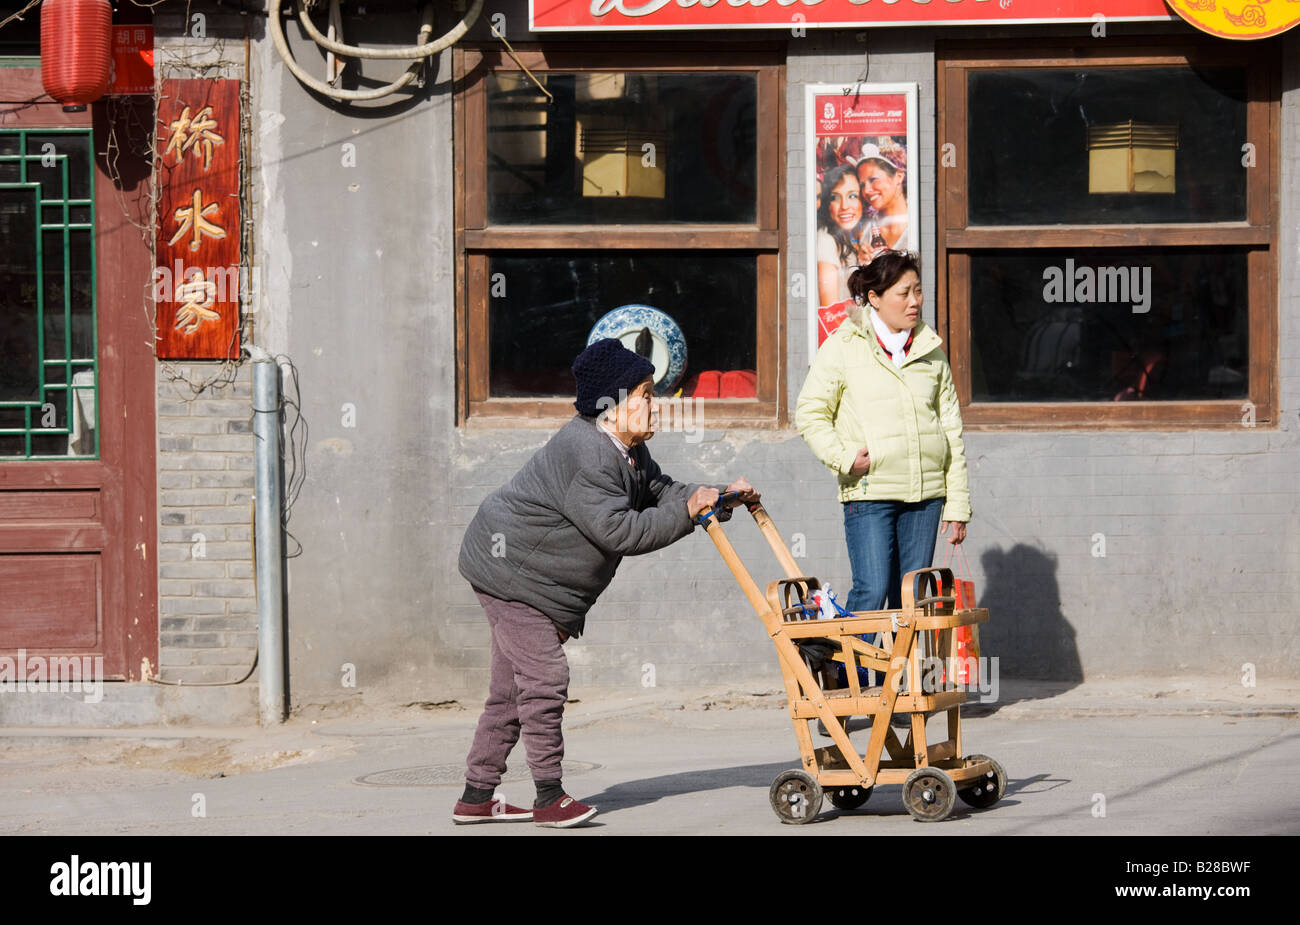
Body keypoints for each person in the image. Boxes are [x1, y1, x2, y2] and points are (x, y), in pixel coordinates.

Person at [453, 338, 759, 827]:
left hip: (532, 578)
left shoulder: (629, 452)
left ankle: (475, 796)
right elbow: (622, 531)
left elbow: (661, 491)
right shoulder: (588, 454)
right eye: (645, 393)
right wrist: (688, 511)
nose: (655, 404)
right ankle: (549, 797)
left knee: (510, 692)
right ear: (611, 407)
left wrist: (715, 494)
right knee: (545, 681)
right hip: (511, 575)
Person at [795, 250, 970, 654]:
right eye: (903, 293)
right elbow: (810, 412)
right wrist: (843, 457)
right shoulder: (843, 345)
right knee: (872, 590)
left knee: (910, 600)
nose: (914, 301)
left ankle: (898, 697)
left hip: (926, 498)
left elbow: (951, 432)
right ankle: (841, 681)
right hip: (869, 492)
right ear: (874, 297)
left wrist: (957, 504)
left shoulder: (931, 352)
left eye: (918, 291)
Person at [815, 164, 866, 311]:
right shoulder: (826, 241)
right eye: (835, 197)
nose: (845, 206)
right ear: (827, 203)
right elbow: (831, 311)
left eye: (852, 196)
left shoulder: (849, 239)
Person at [855, 142, 909, 255]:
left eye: (873, 179)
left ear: (898, 177)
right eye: (862, 185)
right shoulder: (865, 231)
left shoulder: (916, 223)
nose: (866, 190)